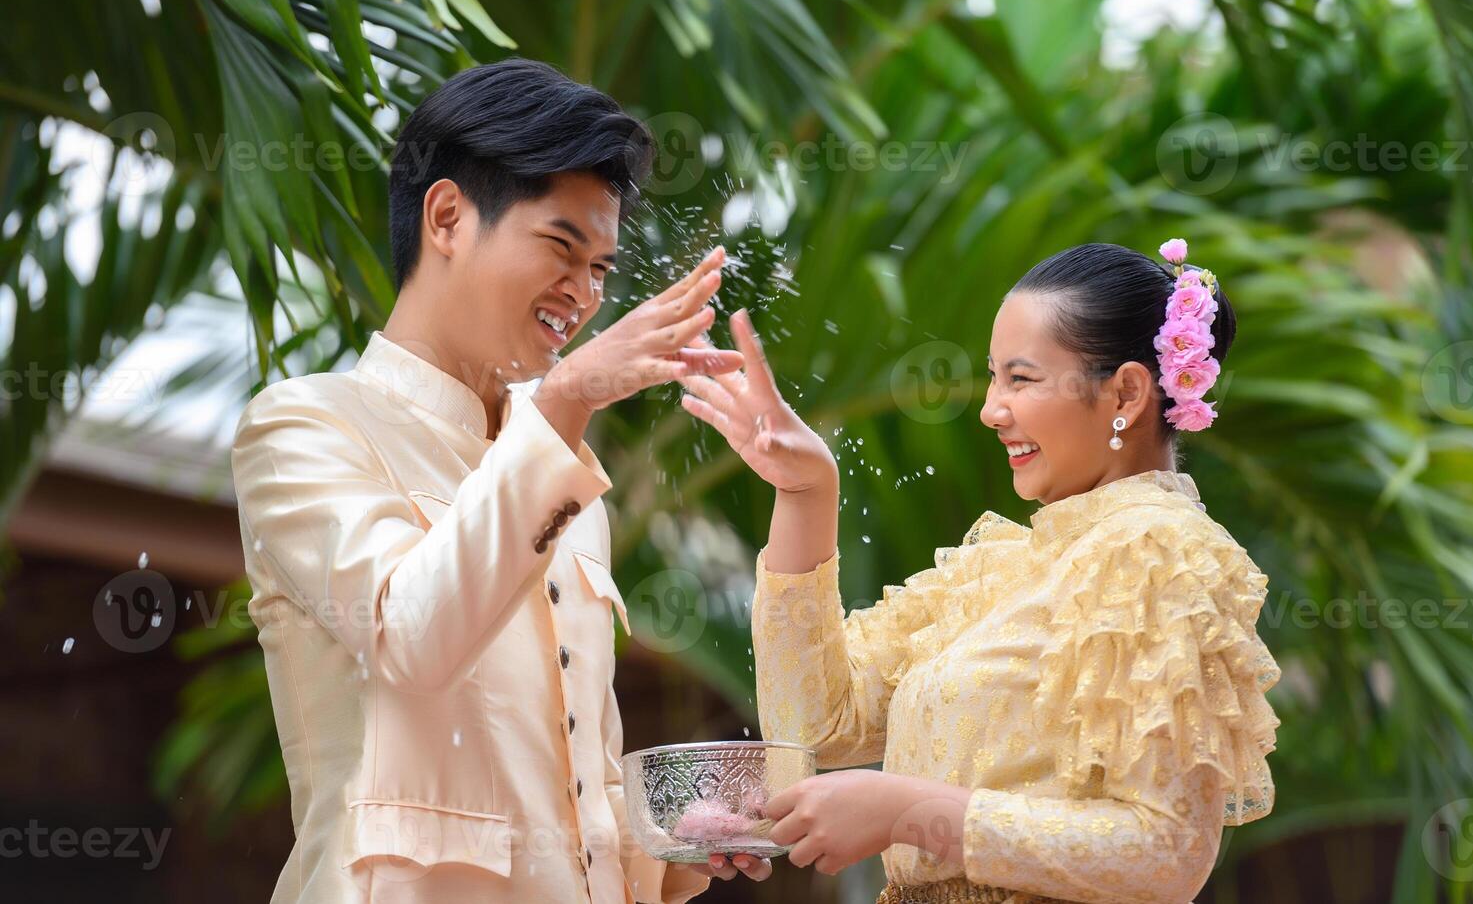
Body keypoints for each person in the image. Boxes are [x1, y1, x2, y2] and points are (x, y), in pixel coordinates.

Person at [230, 59, 769, 903]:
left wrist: (679, 840)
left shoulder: (558, 466)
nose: (584, 294)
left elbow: (582, 792)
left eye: (600, 267)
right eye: (561, 246)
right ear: (447, 216)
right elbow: (413, 640)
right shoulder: (304, 427)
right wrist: (562, 402)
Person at [679, 240, 1281, 903]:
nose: (991, 409)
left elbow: (1165, 852)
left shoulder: (1160, 554)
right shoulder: (1008, 564)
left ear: (1127, 393)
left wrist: (909, 812)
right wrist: (804, 495)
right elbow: (813, 730)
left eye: (1020, 379)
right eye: (994, 377)